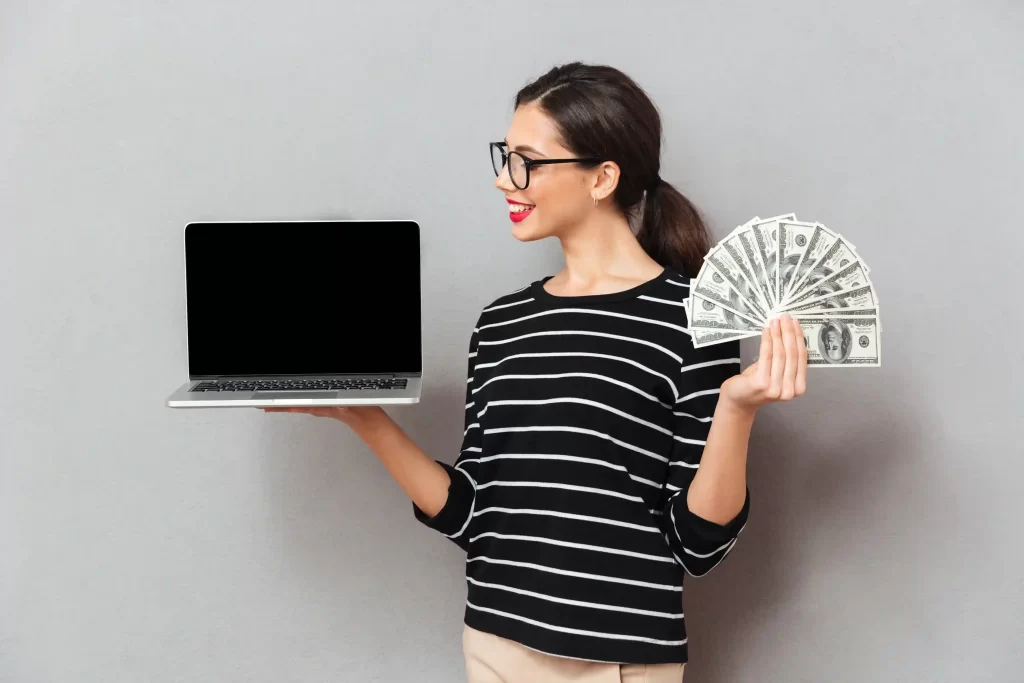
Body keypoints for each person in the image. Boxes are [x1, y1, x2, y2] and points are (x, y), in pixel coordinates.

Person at [262, 62, 808, 683]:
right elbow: (472, 515)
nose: (503, 180)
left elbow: (697, 543)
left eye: (526, 160)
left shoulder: (693, 320)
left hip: (616, 661)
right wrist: (363, 417)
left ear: (602, 177)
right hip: (493, 644)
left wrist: (736, 410)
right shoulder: (500, 324)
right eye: (504, 155)